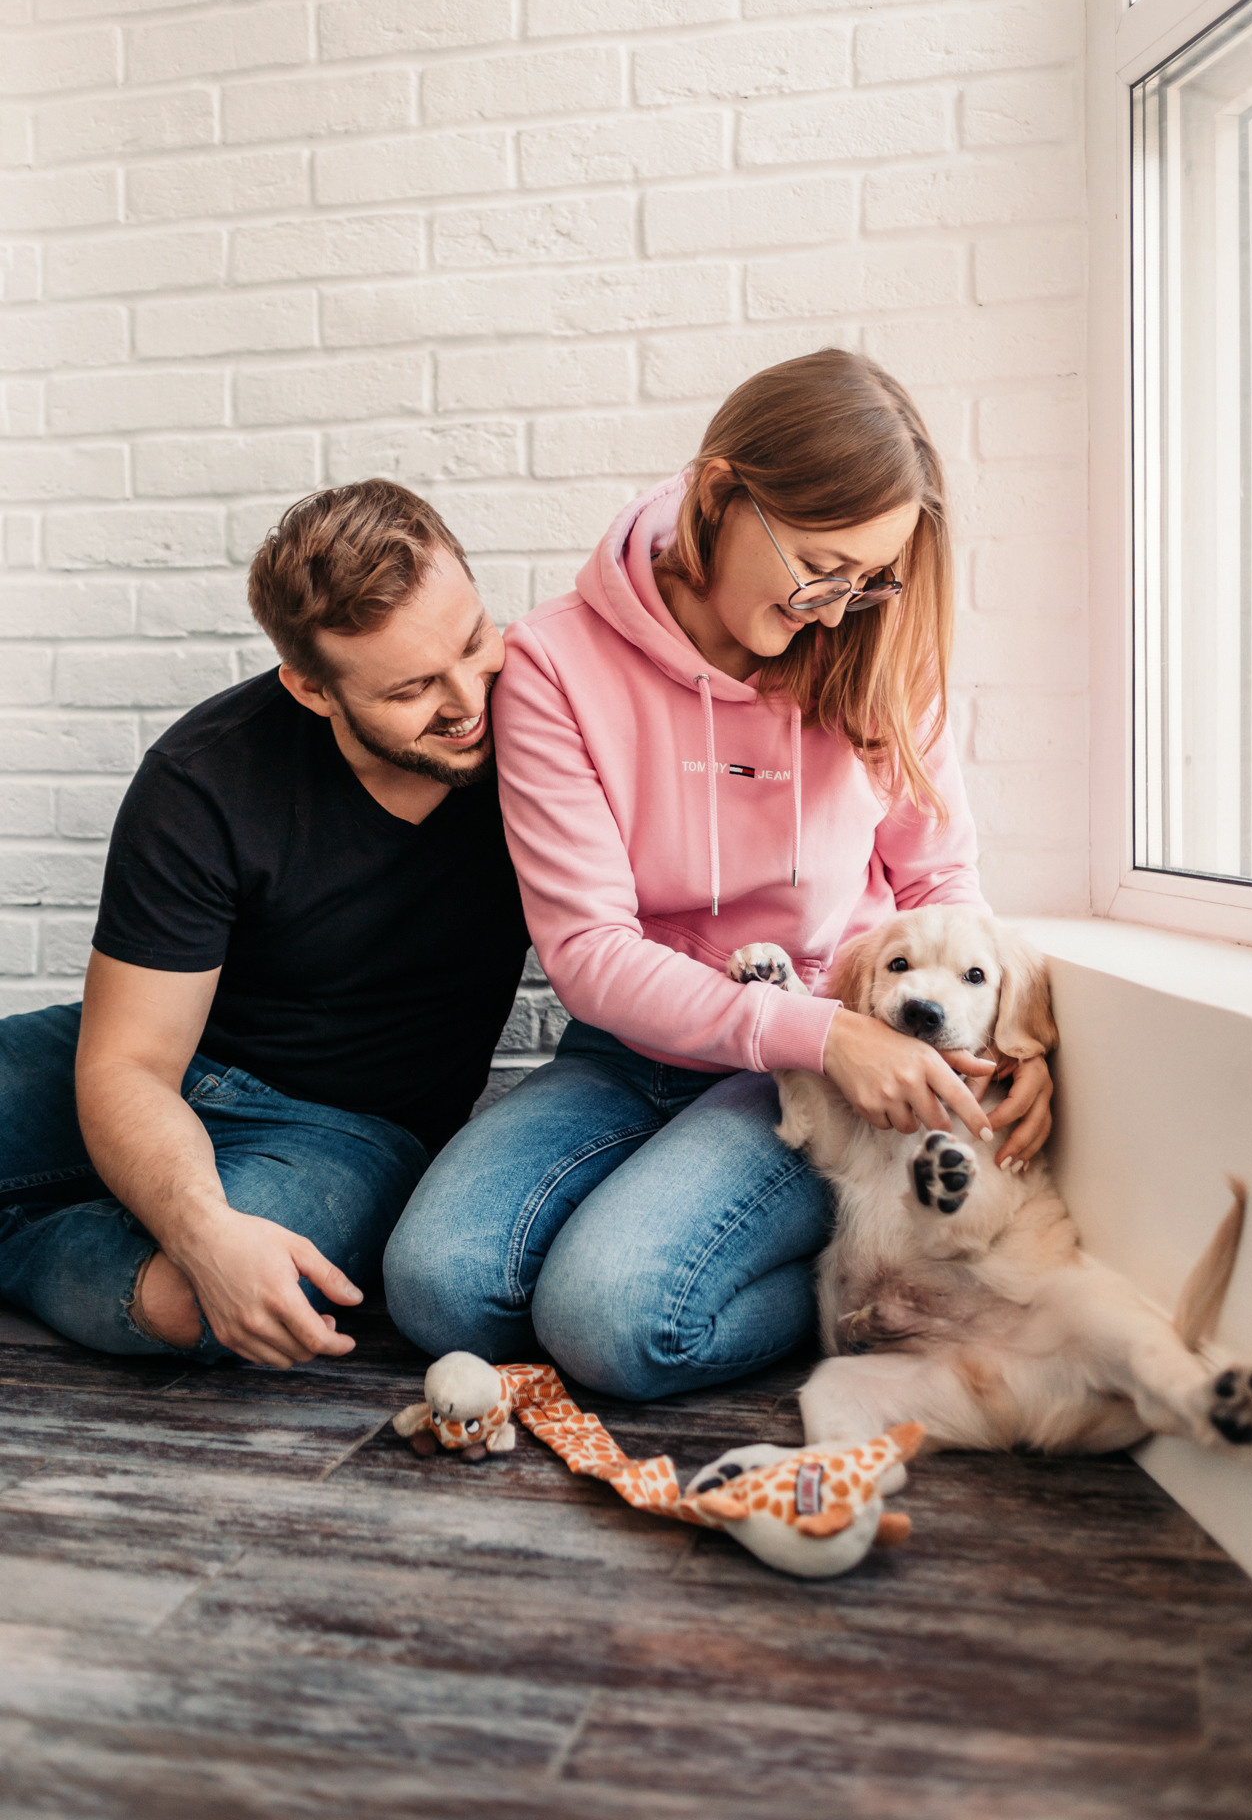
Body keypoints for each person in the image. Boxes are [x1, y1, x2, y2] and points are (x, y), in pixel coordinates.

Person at [384, 351, 1053, 1400]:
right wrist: (812, 1028)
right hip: (636, 1051)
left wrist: (994, 1040)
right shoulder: (556, 663)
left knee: (606, 1320)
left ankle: (875, 1285)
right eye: (820, 566)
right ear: (717, 496)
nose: (839, 609)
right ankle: (784, 1254)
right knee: (436, 1289)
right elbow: (589, 952)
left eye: (867, 579)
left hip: (824, 1078)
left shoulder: (871, 650)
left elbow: (938, 885)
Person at [0, 480, 528, 1368]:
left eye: (475, 643)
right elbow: (129, 1063)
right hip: (174, 1062)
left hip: (351, 1131)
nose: (469, 700)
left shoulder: (546, 734)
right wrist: (202, 1219)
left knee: (201, 1301)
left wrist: (203, 1245)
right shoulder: (203, 779)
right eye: (410, 688)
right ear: (311, 689)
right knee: (204, 1245)